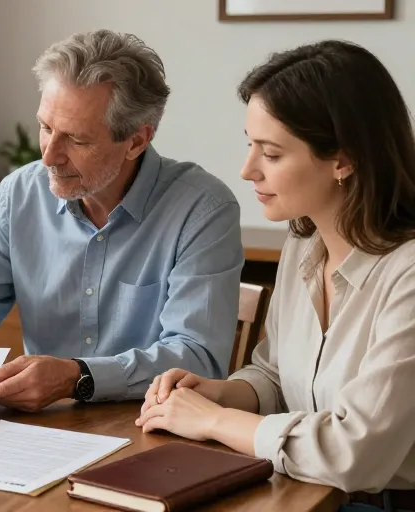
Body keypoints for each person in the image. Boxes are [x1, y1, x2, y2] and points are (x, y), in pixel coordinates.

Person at [0, 29, 244, 412]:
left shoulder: (202, 208)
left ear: (137, 141)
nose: (50, 156)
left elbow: (197, 356)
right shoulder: (19, 193)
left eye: (77, 140)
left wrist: (79, 377)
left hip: (151, 427)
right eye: (45, 127)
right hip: (43, 428)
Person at [137, 41, 415, 510]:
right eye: (251, 145)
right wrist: (223, 393)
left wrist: (212, 421)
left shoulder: (406, 276)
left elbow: (353, 451)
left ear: (343, 160)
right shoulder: (304, 245)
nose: (247, 170)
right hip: (306, 493)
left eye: (271, 153)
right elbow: (275, 373)